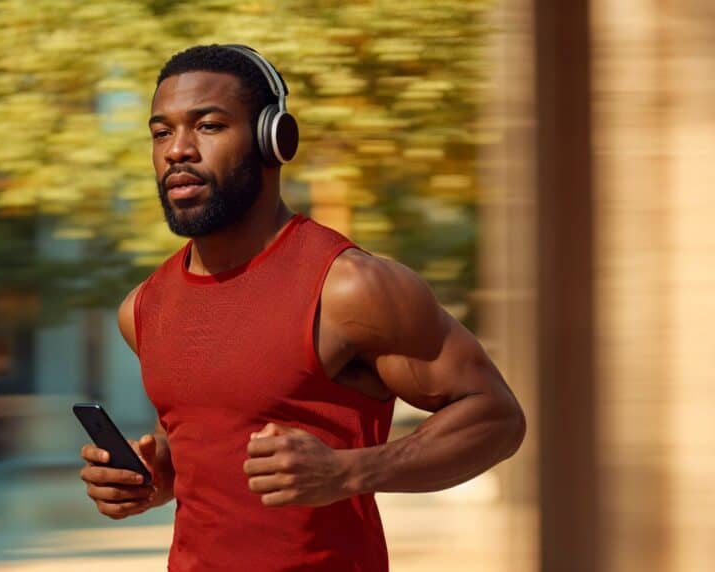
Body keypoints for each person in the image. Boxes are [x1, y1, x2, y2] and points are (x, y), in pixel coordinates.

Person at [79, 44, 526, 571]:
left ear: (275, 140)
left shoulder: (349, 286)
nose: (178, 150)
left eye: (208, 126)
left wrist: (349, 472)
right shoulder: (145, 308)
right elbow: (219, 442)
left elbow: (496, 419)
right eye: (162, 132)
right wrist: (153, 480)